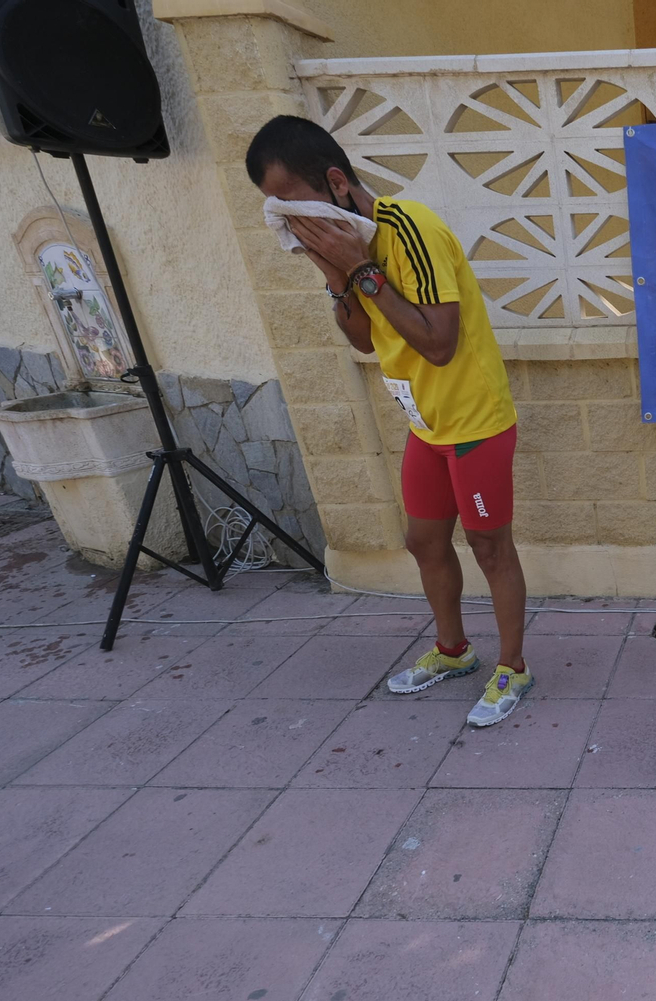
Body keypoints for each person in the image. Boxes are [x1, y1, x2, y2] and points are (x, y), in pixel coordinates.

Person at [245, 115, 532, 727]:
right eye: (281, 215)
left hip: (474, 418)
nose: (297, 225)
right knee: (423, 541)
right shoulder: (351, 250)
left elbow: (439, 343)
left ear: (336, 183)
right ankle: (454, 652)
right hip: (426, 424)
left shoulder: (411, 229)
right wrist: (336, 274)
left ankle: (514, 666)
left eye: (297, 206)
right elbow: (364, 342)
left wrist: (363, 270)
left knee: (489, 545)